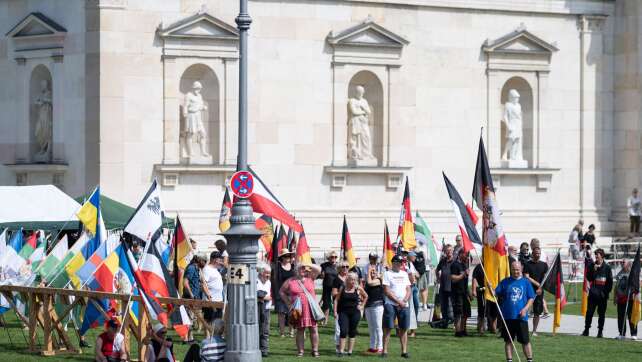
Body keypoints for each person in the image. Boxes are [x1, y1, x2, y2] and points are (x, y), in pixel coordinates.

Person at [279, 262, 322, 357]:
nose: (304, 270)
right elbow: (281, 291)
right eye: (301, 268)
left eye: (304, 268)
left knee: (314, 329)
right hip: (298, 309)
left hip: (311, 308)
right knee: (300, 330)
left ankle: (315, 350)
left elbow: (319, 269)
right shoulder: (291, 280)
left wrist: (307, 264)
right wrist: (288, 303)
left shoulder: (310, 278)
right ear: (296, 270)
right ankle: (300, 351)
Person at [495, 261, 535, 362]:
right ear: (511, 269)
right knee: (508, 341)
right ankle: (509, 360)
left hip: (521, 317)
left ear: (521, 269)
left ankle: (529, 360)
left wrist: (525, 309)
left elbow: (531, 298)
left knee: (525, 341)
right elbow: (496, 293)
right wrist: (491, 288)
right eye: (513, 269)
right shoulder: (505, 282)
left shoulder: (526, 282)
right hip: (508, 317)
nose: (515, 271)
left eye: (517, 269)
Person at [382, 255, 411, 359]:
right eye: (399, 262)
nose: (401, 264)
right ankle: (384, 351)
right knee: (388, 328)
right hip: (391, 304)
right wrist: (398, 301)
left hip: (404, 304)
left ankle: (404, 351)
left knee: (404, 328)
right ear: (394, 262)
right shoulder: (387, 273)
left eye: (402, 262)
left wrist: (404, 301)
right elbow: (387, 290)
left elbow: (408, 289)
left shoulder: (404, 274)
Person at [334, 272, 368, 356]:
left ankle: (350, 351)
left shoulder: (358, 288)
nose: (353, 281)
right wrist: (335, 311)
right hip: (343, 312)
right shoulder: (343, 287)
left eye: (354, 280)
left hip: (355, 313)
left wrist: (362, 306)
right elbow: (336, 300)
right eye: (351, 279)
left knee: (352, 331)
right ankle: (341, 351)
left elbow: (366, 296)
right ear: (347, 280)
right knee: (343, 330)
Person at [582, 248, 613, 338]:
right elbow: (589, 278)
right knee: (589, 313)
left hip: (602, 296)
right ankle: (586, 330)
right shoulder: (592, 266)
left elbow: (610, 283)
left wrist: (605, 293)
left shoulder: (607, 268)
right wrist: (594, 270)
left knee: (601, 314)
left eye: (597, 255)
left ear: (602, 256)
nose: (596, 257)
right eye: (595, 255)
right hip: (593, 295)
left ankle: (600, 331)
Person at [523, 246, 548, 336]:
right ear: (532, 254)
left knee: (537, 312)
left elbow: (546, 278)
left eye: (539, 253)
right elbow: (526, 277)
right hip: (528, 290)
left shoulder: (544, 265)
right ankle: (523, 328)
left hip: (539, 291)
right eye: (536, 253)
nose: (538, 255)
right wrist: (538, 285)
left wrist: (541, 288)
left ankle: (534, 331)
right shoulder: (527, 264)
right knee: (525, 309)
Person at [183, 255, 207, 342]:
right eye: (204, 261)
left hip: (195, 297)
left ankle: (190, 338)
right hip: (190, 297)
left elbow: (201, 282)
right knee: (189, 318)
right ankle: (186, 338)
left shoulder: (197, 269)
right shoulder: (191, 268)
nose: (205, 263)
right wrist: (191, 294)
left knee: (191, 319)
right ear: (200, 260)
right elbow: (185, 282)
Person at [614, 260, 638, 340]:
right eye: (622, 262)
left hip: (629, 298)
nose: (622, 263)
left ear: (628, 264)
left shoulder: (632, 273)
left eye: (623, 262)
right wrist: (615, 297)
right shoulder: (620, 273)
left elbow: (637, 285)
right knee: (621, 317)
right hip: (621, 299)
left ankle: (633, 334)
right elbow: (616, 286)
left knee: (631, 316)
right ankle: (622, 333)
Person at [274, 248, 296, 337]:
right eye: (286, 256)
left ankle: (291, 331)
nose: (288, 257)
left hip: (291, 294)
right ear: (282, 257)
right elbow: (275, 280)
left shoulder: (293, 267)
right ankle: (282, 332)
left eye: (289, 256)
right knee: (281, 313)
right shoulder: (278, 267)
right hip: (281, 293)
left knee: (291, 313)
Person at [364, 260, 385, 353]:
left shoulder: (379, 280)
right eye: (371, 271)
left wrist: (368, 271)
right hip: (368, 306)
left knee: (378, 326)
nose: (372, 273)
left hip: (377, 306)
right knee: (371, 327)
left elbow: (370, 283)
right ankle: (372, 346)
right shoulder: (368, 281)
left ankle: (380, 346)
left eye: (374, 271)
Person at [450, 248, 471, 337]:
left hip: (464, 292)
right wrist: (463, 274)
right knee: (458, 313)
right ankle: (458, 331)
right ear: (461, 254)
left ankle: (463, 329)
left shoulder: (464, 265)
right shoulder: (455, 265)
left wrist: (469, 293)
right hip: (457, 293)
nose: (467, 257)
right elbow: (453, 278)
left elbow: (466, 281)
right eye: (466, 254)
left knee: (466, 312)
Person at [332, 260, 350, 353]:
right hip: (339, 307)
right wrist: (343, 292)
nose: (345, 268)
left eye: (347, 266)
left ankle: (344, 347)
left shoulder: (350, 278)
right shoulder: (336, 279)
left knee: (347, 328)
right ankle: (338, 347)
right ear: (339, 268)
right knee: (339, 329)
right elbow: (334, 294)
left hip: (350, 307)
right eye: (343, 267)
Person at [202, 251, 224, 324]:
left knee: (217, 321)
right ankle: (208, 336)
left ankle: (215, 335)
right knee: (209, 321)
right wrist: (209, 297)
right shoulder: (207, 269)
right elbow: (203, 284)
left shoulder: (216, 269)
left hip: (218, 300)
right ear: (215, 260)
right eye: (220, 260)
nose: (221, 262)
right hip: (210, 301)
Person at [435, 244, 454, 323]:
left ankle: (453, 321)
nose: (448, 252)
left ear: (452, 251)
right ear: (445, 251)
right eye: (447, 250)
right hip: (443, 287)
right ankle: (445, 320)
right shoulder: (442, 260)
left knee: (451, 306)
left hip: (452, 287)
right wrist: (438, 278)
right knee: (443, 306)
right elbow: (436, 270)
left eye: (450, 250)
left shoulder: (455, 261)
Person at [257, 263, 272, 357]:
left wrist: (264, 297)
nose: (268, 275)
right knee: (256, 329)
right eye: (267, 273)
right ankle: (256, 348)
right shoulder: (255, 281)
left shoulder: (268, 282)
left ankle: (264, 350)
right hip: (257, 308)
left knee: (265, 330)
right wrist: (262, 297)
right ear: (261, 272)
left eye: (269, 273)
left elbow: (268, 296)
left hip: (266, 309)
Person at [319, 250, 339, 323]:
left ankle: (337, 319)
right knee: (326, 303)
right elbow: (320, 276)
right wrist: (322, 275)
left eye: (335, 257)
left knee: (336, 302)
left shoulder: (338, 265)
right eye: (332, 257)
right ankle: (325, 319)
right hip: (326, 286)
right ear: (329, 258)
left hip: (336, 287)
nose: (334, 258)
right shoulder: (324, 265)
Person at [471, 261, 486, 334]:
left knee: (490, 310)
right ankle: (480, 327)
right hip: (481, 290)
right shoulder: (479, 267)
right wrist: (473, 290)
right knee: (481, 309)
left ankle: (491, 327)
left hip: (490, 291)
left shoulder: (491, 265)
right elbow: (474, 278)